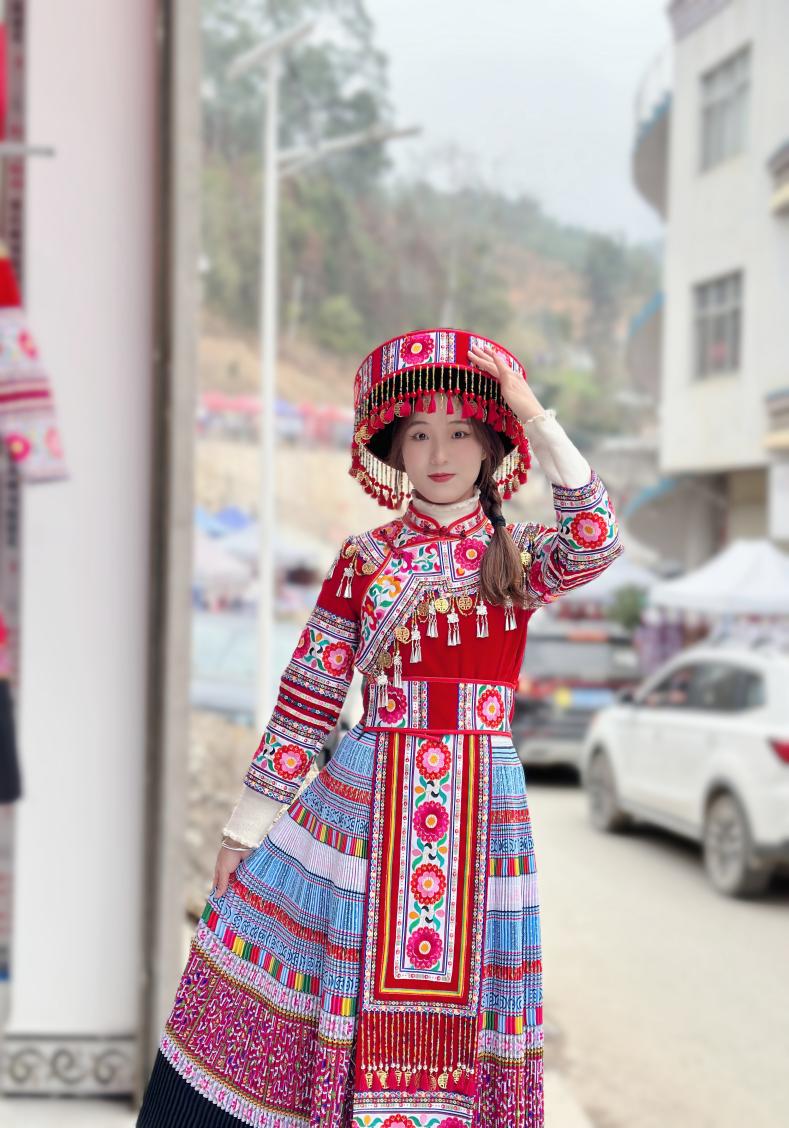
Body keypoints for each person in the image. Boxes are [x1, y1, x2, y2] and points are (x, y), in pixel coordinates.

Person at [136, 328, 625, 1128]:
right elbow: (308, 696)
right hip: (363, 807)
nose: (439, 452)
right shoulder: (364, 559)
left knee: (466, 999)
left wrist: (532, 412)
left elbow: (597, 536)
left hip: (480, 815)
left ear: (490, 444)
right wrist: (243, 830)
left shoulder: (518, 556)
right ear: (394, 451)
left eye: (460, 432)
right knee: (331, 981)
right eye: (419, 434)